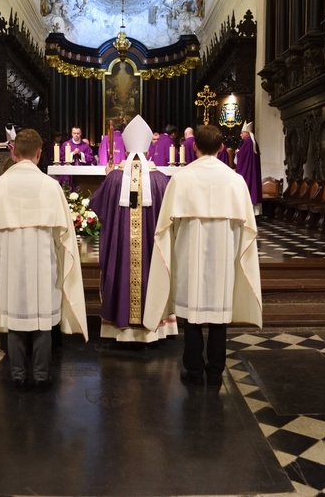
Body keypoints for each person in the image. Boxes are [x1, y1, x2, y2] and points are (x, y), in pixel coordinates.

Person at [144, 124, 262, 386]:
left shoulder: (182, 179)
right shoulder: (235, 180)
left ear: (194, 146)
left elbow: (165, 225)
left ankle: (194, 369)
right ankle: (216, 370)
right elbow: (248, 226)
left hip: (189, 253)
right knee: (219, 316)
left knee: (192, 315)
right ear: (222, 148)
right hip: (223, 255)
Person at [0, 128, 88, 389]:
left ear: (14, 152)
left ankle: (16, 375)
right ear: (39, 154)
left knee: (14, 319)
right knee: (42, 321)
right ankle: (40, 376)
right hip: (42, 263)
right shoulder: (51, 187)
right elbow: (65, 237)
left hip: (10, 262)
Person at [89, 116, 178, 343]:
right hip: (150, 248)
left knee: (122, 265)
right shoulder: (161, 180)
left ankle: (120, 326)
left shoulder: (114, 179)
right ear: (148, 148)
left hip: (122, 248)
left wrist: (108, 179)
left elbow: (97, 205)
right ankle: (152, 328)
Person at [235, 121, 262, 214]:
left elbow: (243, 156)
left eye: (242, 133)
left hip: (248, 170)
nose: (240, 134)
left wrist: (238, 152)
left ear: (246, 133)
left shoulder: (248, 142)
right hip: (252, 170)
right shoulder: (251, 141)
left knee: (248, 186)